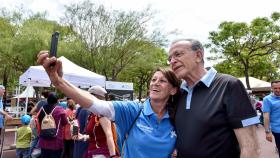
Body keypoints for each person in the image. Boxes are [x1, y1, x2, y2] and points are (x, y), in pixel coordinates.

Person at [37, 51, 180, 158]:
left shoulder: (178, 118)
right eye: (153, 79)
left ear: (173, 90)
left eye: (162, 81)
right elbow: (97, 104)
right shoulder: (133, 110)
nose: (155, 83)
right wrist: (59, 82)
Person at [167, 39, 259, 158]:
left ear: (198, 56)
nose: (172, 61)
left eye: (178, 54)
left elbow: (250, 147)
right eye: (169, 59)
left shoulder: (229, 85)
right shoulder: (179, 93)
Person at [76, 85, 118, 158]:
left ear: (96, 98)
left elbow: (109, 135)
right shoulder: (92, 114)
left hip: (102, 154)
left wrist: (113, 156)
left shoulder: (102, 114)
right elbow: (96, 135)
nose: (85, 99)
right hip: (92, 152)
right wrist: (83, 137)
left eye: (88, 97)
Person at [38, 92, 68, 158]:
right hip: (56, 140)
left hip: (43, 139)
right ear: (57, 100)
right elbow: (65, 122)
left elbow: (38, 120)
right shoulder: (59, 109)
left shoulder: (42, 109)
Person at [263, 80, 280, 157]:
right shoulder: (267, 99)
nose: (278, 90)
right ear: (272, 88)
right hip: (277, 129)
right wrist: (267, 132)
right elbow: (266, 116)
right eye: (275, 88)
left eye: (279, 88)